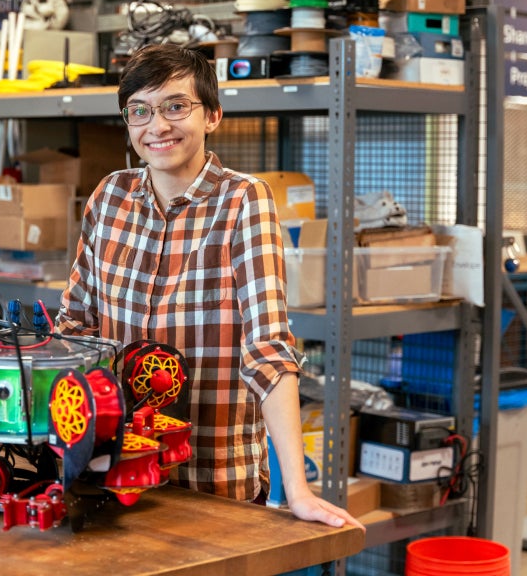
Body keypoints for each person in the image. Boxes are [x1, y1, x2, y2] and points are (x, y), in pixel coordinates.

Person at [55, 43, 361, 529]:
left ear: (213, 115)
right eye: (140, 111)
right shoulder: (109, 196)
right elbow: (74, 330)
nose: (157, 126)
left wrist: (297, 490)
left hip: (210, 480)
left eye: (176, 106)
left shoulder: (244, 201)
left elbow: (269, 350)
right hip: (109, 473)